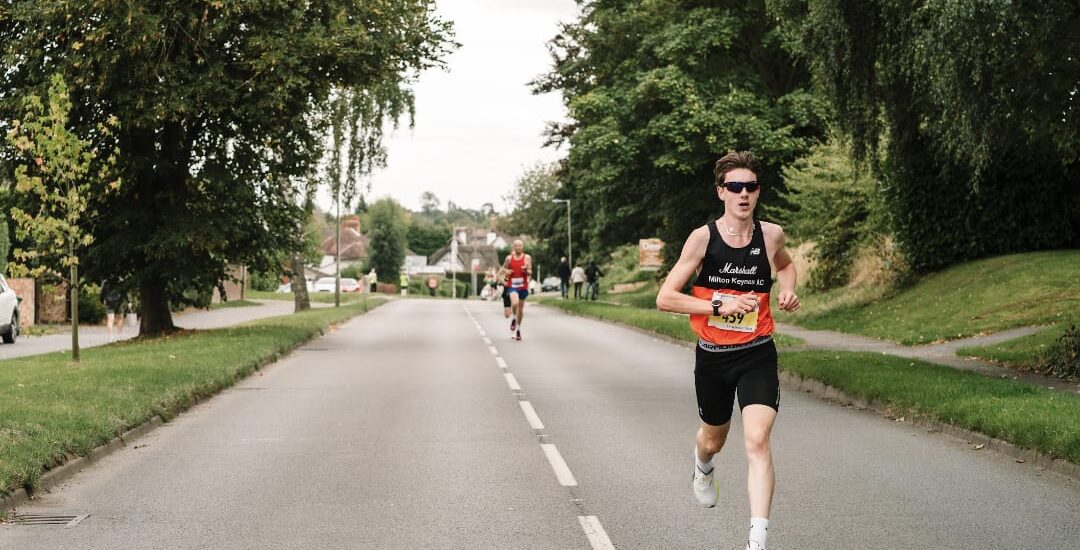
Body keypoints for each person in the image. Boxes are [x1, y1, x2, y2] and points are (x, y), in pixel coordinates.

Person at [656, 150, 799, 550]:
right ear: (721, 192)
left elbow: (785, 266)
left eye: (750, 187)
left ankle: (757, 541)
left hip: (757, 352)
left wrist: (787, 289)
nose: (743, 194)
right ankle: (702, 467)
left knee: (757, 440)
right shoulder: (703, 239)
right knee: (714, 438)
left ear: (758, 192)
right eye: (734, 187)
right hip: (713, 357)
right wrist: (718, 305)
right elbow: (666, 298)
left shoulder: (771, 235)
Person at [500, 239, 532, 341]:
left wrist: (526, 270)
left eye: (520, 246)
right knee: (515, 303)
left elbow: (530, 272)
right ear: (514, 247)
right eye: (516, 246)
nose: (518, 247)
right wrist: (507, 270)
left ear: (522, 247)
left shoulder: (527, 258)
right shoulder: (509, 258)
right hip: (512, 285)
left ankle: (518, 330)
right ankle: (514, 318)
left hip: (523, 286)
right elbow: (503, 268)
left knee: (521, 310)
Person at [100, 277, 128, 343]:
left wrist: (102, 300)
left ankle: (111, 336)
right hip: (119, 302)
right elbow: (124, 293)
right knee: (120, 318)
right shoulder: (121, 281)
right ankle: (119, 335)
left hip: (109, 303)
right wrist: (128, 301)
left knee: (110, 320)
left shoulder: (105, 283)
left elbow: (102, 293)